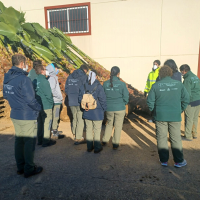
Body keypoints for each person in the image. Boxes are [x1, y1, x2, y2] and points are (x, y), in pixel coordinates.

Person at [3, 54, 43, 178]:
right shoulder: (24, 79)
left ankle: (20, 167)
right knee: (29, 142)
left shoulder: (7, 78)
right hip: (26, 115)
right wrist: (39, 108)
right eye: (25, 64)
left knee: (19, 141)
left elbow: (5, 95)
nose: (26, 66)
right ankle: (29, 168)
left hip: (15, 114)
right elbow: (31, 100)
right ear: (22, 64)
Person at [147, 65, 189, 168]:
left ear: (160, 74)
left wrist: (154, 111)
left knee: (161, 138)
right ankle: (179, 161)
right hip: (175, 115)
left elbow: (149, 101)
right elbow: (186, 99)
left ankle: (164, 160)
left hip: (160, 116)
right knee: (175, 139)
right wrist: (180, 110)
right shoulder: (179, 85)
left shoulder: (156, 86)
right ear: (171, 73)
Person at [79, 70, 107, 153]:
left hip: (87, 112)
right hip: (97, 113)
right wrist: (104, 109)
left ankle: (89, 147)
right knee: (97, 130)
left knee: (88, 129)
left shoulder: (83, 86)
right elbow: (103, 99)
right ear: (96, 77)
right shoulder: (98, 86)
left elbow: (79, 99)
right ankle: (97, 147)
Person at [102, 66, 129, 150]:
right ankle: (115, 143)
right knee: (118, 126)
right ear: (118, 73)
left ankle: (105, 140)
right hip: (120, 107)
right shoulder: (122, 84)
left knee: (109, 123)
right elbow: (126, 97)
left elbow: (103, 96)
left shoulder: (105, 83)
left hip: (109, 108)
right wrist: (123, 103)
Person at [65, 64, 89, 145]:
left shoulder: (70, 76)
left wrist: (71, 96)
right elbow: (86, 89)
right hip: (79, 100)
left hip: (71, 101)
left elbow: (66, 89)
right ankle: (79, 137)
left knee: (74, 117)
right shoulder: (84, 77)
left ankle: (74, 132)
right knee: (80, 118)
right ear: (85, 70)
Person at [34, 64, 56, 147]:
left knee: (40, 123)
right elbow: (49, 95)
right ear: (42, 71)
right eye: (45, 69)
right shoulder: (44, 81)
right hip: (46, 105)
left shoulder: (35, 81)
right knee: (47, 123)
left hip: (38, 105)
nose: (46, 70)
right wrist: (51, 104)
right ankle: (46, 141)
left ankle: (40, 140)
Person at [180, 64, 200, 141]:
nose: (181, 73)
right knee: (195, 118)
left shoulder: (187, 79)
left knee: (189, 119)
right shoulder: (195, 77)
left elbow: (186, 93)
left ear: (184, 71)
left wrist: (183, 103)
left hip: (191, 102)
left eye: (181, 71)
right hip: (198, 100)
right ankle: (194, 133)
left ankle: (188, 136)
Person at [46, 63, 64, 139]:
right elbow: (52, 90)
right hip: (56, 101)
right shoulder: (53, 78)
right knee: (56, 116)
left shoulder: (49, 78)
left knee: (54, 116)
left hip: (53, 100)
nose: (57, 70)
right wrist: (60, 97)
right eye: (57, 68)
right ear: (53, 69)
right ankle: (54, 131)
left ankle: (54, 129)